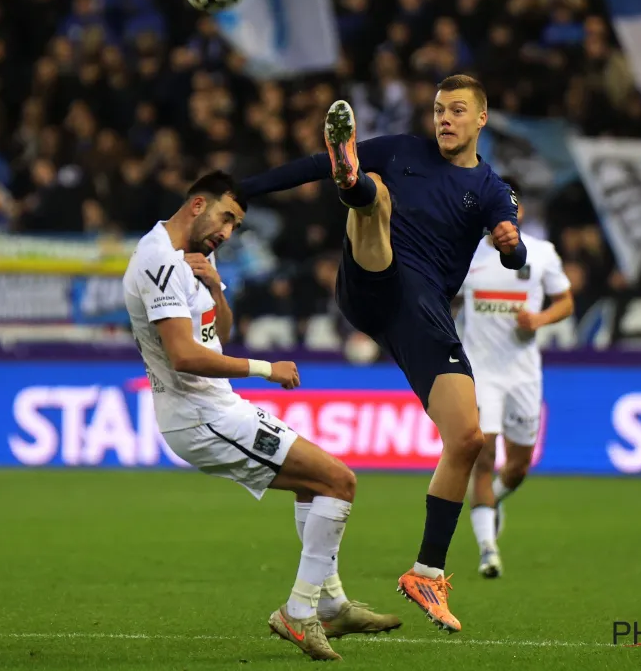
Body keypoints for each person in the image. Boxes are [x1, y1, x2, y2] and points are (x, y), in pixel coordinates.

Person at [239, 75, 526, 633]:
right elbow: (307, 165)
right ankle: (355, 184)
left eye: (457, 111)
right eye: (439, 109)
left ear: (481, 119)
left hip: (420, 315)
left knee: (466, 437)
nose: (445, 119)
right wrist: (242, 189)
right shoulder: (401, 150)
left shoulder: (492, 186)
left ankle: (427, 571)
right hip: (371, 280)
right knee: (374, 191)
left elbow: (511, 243)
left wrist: (511, 248)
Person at [122, 171, 402, 661]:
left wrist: (215, 289)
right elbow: (185, 355)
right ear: (197, 204)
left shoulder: (196, 257)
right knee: (340, 481)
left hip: (216, 407)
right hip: (201, 416)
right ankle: (299, 611)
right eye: (226, 217)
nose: (227, 232)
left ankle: (332, 603)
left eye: (234, 224)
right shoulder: (158, 261)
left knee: (315, 483)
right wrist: (264, 368)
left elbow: (217, 332)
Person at [455, 176, 574, 578]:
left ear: (518, 211)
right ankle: (488, 549)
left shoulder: (541, 254)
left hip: (523, 375)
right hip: (480, 372)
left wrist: (538, 319)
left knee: (519, 466)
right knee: (483, 459)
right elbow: (445, 297)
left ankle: (495, 503)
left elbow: (566, 301)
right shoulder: (465, 254)